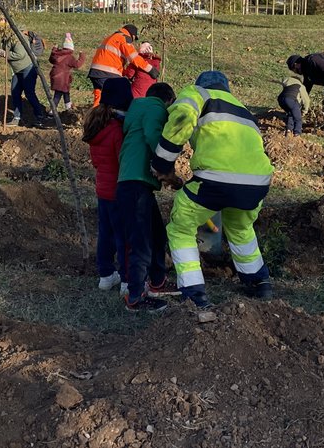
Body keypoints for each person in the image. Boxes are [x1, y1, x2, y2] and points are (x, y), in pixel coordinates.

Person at [152, 71, 275, 308]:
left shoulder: (198, 93)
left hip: (216, 178)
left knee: (181, 226)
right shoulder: (243, 110)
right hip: (257, 182)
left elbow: (182, 119)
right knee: (240, 227)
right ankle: (260, 283)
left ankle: (194, 293)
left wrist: (162, 163)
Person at [117, 82, 179, 313]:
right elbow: (154, 136)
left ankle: (157, 282)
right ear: (168, 101)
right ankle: (135, 297)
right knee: (141, 240)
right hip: (135, 183)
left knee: (156, 234)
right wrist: (167, 170)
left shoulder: (138, 109)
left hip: (136, 182)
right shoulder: (156, 109)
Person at [83, 77, 133, 293]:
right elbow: (123, 160)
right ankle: (127, 280)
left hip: (102, 188)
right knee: (124, 236)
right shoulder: (117, 129)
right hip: (119, 189)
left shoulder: (96, 126)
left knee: (106, 233)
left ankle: (105, 274)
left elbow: (96, 161)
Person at [87, 24, 159, 107]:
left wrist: (125, 73)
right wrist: (150, 69)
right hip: (107, 73)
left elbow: (113, 60)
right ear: (132, 35)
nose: (133, 41)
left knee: (99, 99)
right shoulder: (124, 38)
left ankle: (94, 117)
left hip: (96, 72)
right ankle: (109, 118)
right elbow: (134, 58)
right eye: (134, 39)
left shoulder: (112, 37)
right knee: (116, 98)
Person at [0, 20, 47, 127]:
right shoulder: (7, 38)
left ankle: (39, 116)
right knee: (15, 92)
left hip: (28, 67)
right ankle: (16, 118)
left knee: (29, 93)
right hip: (17, 70)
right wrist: (0, 52)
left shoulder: (17, 38)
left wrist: (4, 54)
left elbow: (20, 54)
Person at [49, 32, 85, 112]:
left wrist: (54, 50)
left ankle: (68, 108)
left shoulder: (57, 54)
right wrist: (82, 56)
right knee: (58, 95)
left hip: (55, 76)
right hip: (63, 78)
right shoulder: (69, 57)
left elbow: (51, 60)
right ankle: (52, 111)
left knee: (65, 92)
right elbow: (77, 65)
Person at [278, 68, 311, 136]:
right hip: (291, 100)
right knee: (298, 118)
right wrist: (304, 111)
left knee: (290, 113)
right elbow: (306, 100)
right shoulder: (301, 86)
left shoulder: (288, 80)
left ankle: (288, 130)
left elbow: (281, 80)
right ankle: (297, 133)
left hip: (281, 99)